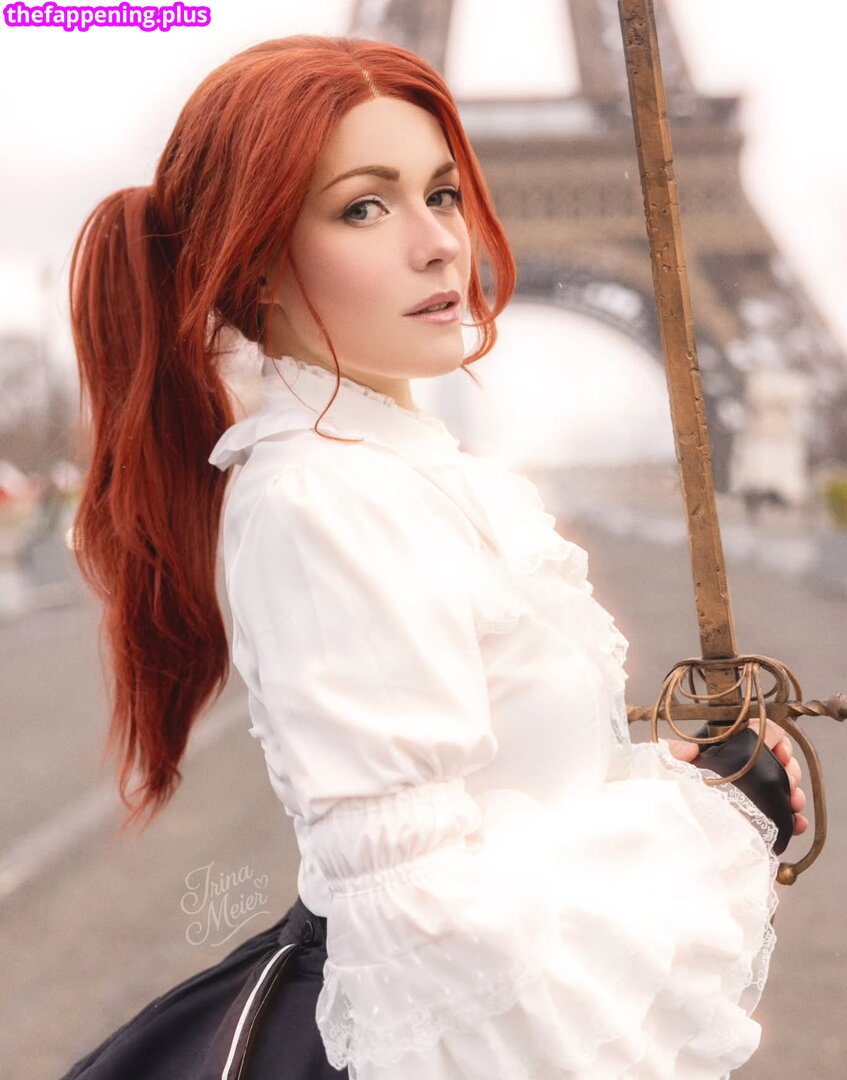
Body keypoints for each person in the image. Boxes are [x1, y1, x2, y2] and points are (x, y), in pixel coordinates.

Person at [61, 34, 808, 1080]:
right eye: (365, 207)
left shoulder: (397, 470)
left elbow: (498, 805)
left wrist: (679, 784)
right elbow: (429, 924)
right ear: (253, 260)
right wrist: (710, 827)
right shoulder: (325, 497)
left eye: (444, 194)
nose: (439, 244)